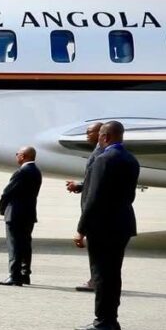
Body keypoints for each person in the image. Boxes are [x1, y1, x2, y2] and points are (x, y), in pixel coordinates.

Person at [74, 121, 139, 330]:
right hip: (123, 223)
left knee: (101, 275)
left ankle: (103, 321)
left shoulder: (103, 159)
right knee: (113, 274)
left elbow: (93, 198)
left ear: (105, 137)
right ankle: (112, 319)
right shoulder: (131, 159)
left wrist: (81, 228)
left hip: (103, 226)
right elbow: (130, 195)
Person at [66, 121, 104, 291]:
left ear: (101, 133)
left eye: (90, 132)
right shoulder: (99, 151)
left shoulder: (102, 154)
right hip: (97, 209)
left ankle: (96, 281)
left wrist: (81, 228)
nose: (86, 135)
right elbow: (94, 179)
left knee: (97, 250)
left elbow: (99, 183)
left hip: (96, 211)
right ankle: (98, 279)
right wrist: (80, 186)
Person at [0, 146, 42, 286]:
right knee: (25, 244)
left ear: (23, 156)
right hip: (29, 214)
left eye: (17, 154)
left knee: (14, 245)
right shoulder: (36, 171)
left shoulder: (21, 172)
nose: (16, 156)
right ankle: (24, 274)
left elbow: (7, 192)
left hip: (15, 214)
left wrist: (2, 208)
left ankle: (14, 275)